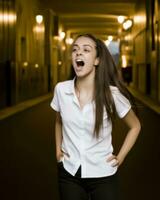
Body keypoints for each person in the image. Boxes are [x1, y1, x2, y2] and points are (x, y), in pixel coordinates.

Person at [50, 34, 141, 200]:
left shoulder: (111, 94)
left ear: (97, 60)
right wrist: (58, 151)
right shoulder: (61, 90)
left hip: (103, 174)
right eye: (75, 50)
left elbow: (135, 126)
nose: (78, 53)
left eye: (86, 50)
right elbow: (58, 121)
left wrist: (120, 157)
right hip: (69, 173)